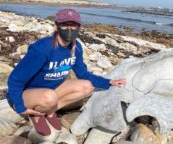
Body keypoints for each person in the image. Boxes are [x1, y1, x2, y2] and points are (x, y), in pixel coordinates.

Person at [6, 8, 126, 137]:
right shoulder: (42, 49)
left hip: (51, 90)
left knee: (87, 87)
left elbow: (83, 75)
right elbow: (15, 79)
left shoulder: (76, 48)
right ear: (56, 26)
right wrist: (19, 106)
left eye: (73, 25)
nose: (70, 29)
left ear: (79, 27)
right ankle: (35, 115)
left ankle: (50, 112)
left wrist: (109, 82)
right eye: (65, 24)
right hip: (27, 94)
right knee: (49, 96)